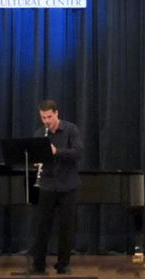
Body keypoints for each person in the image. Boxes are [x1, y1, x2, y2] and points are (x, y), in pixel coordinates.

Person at [30, 99, 84, 275]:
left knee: (66, 227)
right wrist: (35, 161)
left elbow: (78, 153)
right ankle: (38, 264)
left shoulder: (70, 129)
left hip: (68, 185)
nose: (46, 121)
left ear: (56, 113)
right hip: (47, 185)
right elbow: (35, 158)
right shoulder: (40, 134)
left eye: (49, 117)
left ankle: (63, 264)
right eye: (43, 118)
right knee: (42, 227)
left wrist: (57, 151)